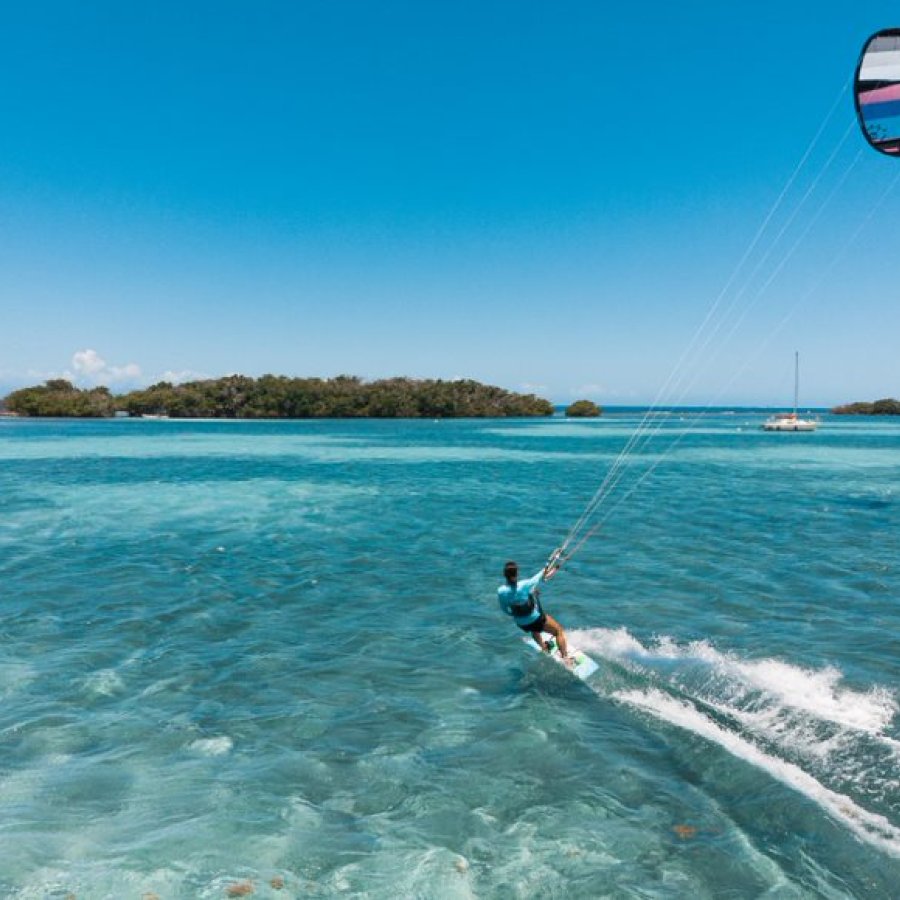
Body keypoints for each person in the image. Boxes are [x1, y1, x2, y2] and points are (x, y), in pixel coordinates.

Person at [497, 557, 571, 662]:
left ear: (504, 575)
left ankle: (543, 647)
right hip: (535, 619)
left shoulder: (501, 591)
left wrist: (517, 614)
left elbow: (505, 610)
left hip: (521, 623)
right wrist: (548, 566)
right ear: (517, 574)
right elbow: (541, 575)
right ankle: (565, 657)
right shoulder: (525, 584)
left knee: (534, 629)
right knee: (559, 630)